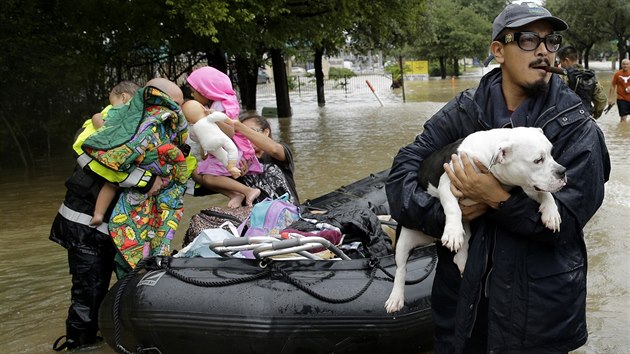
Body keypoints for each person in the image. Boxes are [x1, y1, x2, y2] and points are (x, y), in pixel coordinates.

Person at [386, 3, 610, 353]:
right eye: (526, 39)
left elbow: (566, 223)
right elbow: (403, 169)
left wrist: (497, 200)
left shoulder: (576, 126)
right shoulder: (463, 111)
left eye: (550, 41)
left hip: (538, 324)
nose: (542, 50)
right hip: (461, 313)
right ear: (498, 50)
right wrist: (448, 214)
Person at [49, 80, 160, 351]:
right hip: (84, 225)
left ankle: (107, 337)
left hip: (113, 228)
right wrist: (146, 180)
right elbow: (109, 166)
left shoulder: (147, 130)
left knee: (119, 286)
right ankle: (80, 343)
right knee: (89, 290)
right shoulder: (98, 130)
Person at [82, 78, 190, 272]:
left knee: (157, 228)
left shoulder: (170, 128)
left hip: (152, 194)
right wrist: (147, 179)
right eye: (176, 103)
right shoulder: (124, 118)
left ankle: (152, 264)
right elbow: (115, 154)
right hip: (91, 222)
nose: (179, 110)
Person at [182, 66, 263, 208]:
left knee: (208, 177)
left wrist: (214, 118)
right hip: (223, 149)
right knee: (199, 175)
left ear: (206, 90)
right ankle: (234, 194)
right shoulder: (214, 106)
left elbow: (231, 131)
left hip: (233, 151)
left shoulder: (219, 106)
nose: (193, 95)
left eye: (194, 92)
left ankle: (248, 191)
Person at [89, 81, 140, 226]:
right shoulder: (141, 113)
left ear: (123, 97)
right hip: (135, 160)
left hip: (117, 157)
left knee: (110, 184)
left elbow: (106, 129)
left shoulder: (120, 110)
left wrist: (97, 117)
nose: (111, 106)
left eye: (112, 102)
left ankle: (98, 214)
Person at [226, 113, 300, 205]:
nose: (246, 138)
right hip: (258, 217)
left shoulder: (279, 152)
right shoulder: (237, 161)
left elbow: (274, 150)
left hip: (289, 212)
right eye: (241, 135)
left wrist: (239, 127)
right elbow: (205, 179)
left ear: (266, 132)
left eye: (251, 131)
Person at [557, 45, 607, 119]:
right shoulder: (590, 76)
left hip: (565, 119)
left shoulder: (561, 76)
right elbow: (602, 100)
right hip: (585, 118)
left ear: (566, 60)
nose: (561, 65)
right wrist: (595, 114)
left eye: (561, 62)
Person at [608, 58, 630, 122]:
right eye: (624, 64)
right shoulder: (617, 74)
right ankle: (623, 131)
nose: (625, 66)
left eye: (627, 64)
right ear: (621, 65)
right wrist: (610, 98)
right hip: (621, 99)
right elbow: (612, 86)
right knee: (623, 119)